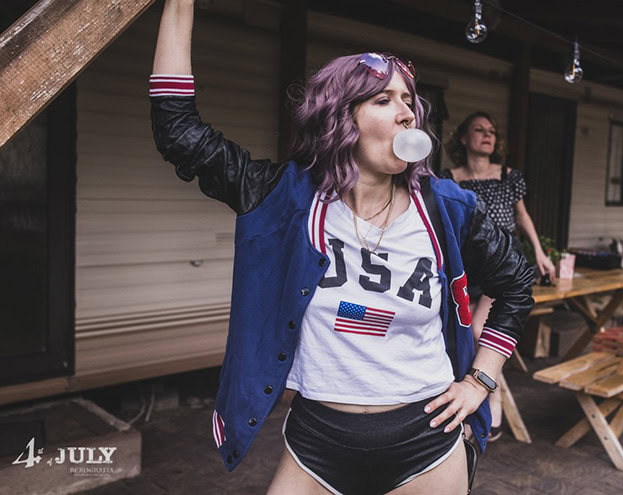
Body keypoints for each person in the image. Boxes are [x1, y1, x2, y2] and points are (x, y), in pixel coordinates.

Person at [150, 1, 534, 493]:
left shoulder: (446, 207)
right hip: (316, 443)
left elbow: (517, 282)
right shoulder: (286, 199)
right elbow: (179, 133)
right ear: (341, 118)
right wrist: (180, 4)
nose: (407, 114)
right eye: (383, 100)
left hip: (426, 444)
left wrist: (480, 381)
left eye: (409, 101)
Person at [441, 111, 555, 441]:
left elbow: (523, 217)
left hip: (502, 265)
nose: (487, 135)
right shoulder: (449, 178)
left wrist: (540, 252)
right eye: (479, 130)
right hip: (465, 265)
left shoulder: (508, 176)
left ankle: (493, 394)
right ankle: (462, 400)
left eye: (491, 130)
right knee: (461, 332)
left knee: (481, 329)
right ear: (463, 138)